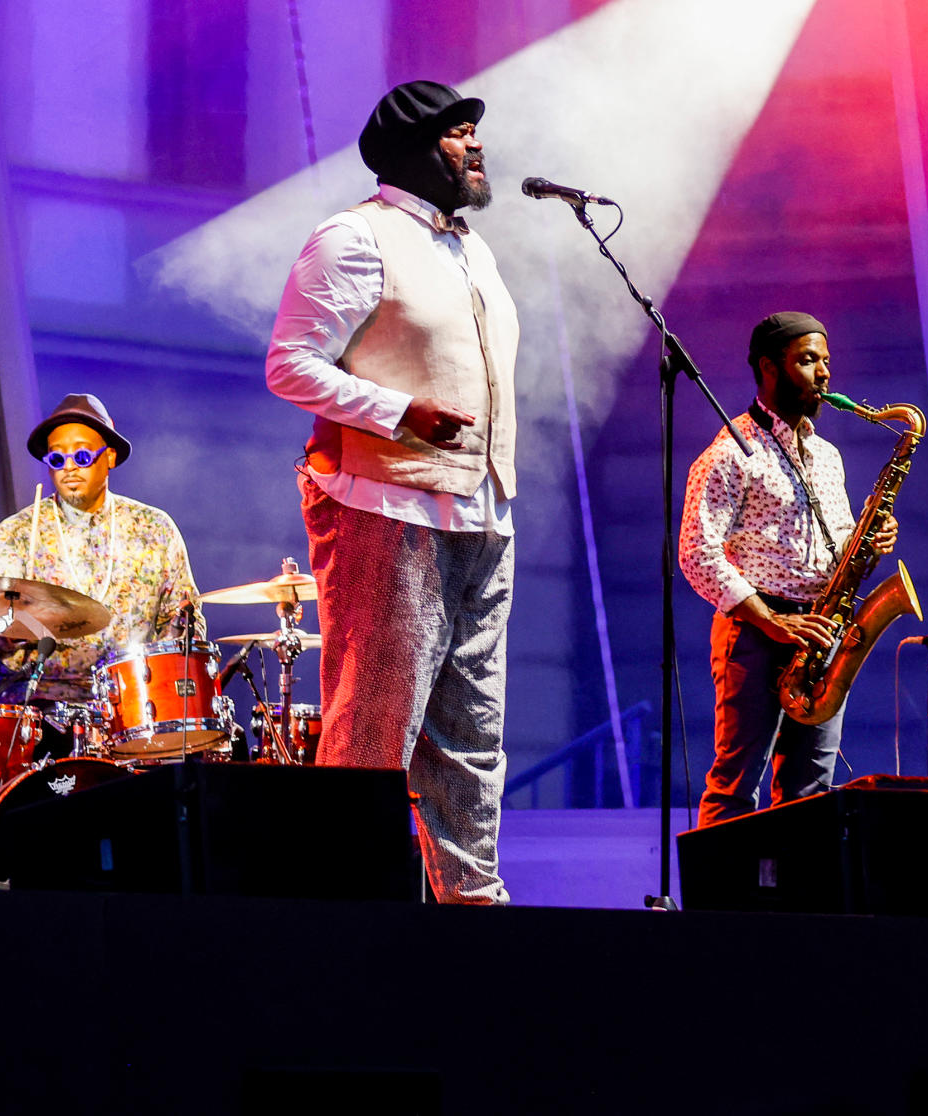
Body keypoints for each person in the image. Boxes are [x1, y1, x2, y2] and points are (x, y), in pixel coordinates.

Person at [266, 80, 519, 904]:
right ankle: (351, 914)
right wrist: (398, 411)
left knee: (474, 738)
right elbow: (290, 364)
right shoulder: (354, 237)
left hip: (480, 510)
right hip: (387, 508)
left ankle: (474, 909)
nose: (477, 144)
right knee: (375, 728)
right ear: (415, 149)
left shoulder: (472, 248)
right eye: (458, 131)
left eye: (475, 130)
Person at [678, 313, 898, 828]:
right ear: (769, 367)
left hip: (821, 633)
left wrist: (869, 542)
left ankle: (797, 908)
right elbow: (696, 553)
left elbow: (839, 545)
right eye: (807, 360)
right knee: (736, 785)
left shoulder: (827, 455)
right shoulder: (732, 452)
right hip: (756, 632)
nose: (823, 373)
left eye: (825, 361)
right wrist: (769, 620)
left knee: (810, 790)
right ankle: (722, 910)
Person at [0, 393, 205, 706]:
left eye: (83, 456)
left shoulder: (154, 529)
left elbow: (183, 622)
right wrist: (4, 629)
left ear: (110, 457)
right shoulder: (14, 536)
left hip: (133, 707)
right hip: (34, 712)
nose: (69, 468)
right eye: (57, 459)